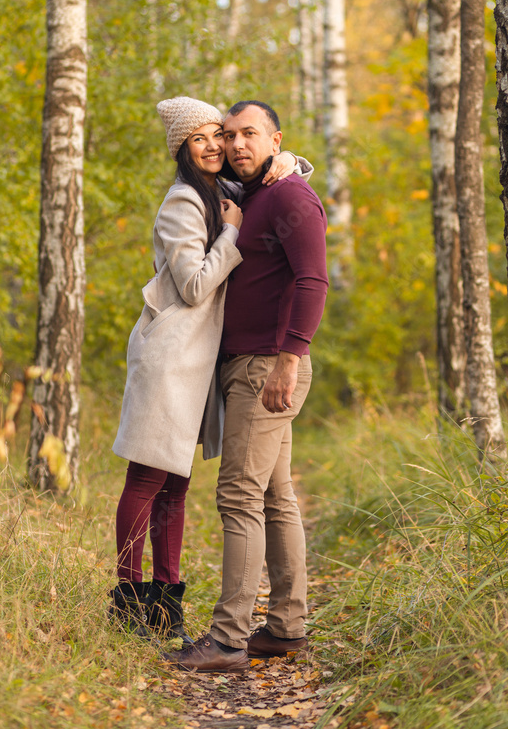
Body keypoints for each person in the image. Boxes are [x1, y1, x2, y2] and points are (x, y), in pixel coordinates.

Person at [110, 97, 312, 642]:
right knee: (148, 478)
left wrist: (291, 159)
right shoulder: (182, 202)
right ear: (181, 147)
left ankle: (167, 602)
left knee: (176, 486)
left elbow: (266, 176)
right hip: (169, 359)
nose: (216, 146)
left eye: (218, 136)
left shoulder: (221, 191)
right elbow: (197, 285)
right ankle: (130, 600)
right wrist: (230, 235)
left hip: (199, 364)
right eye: (200, 138)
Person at [165, 100, 328, 672]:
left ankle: (229, 638)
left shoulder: (288, 195)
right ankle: (286, 627)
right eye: (228, 135)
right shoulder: (254, 192)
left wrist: (290, 358)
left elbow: (312, 280)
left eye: (249, 134)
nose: (235, 144)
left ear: (275, 139)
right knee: (275, 498)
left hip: (267, 365)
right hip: (245, 362)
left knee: (238, 495)